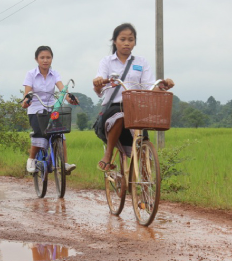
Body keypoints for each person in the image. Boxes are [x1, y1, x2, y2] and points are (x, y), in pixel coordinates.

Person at [92, 23, 174, 171]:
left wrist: (162, 86)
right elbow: (99, 87)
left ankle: (145, 180)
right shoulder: (107, 62)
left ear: (135, 42)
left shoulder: (141, 62)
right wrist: (98, 83)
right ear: (115, 41)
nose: (126, 43)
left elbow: (149, 86)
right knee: (119, 115)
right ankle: (108, 154)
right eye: (122, 39)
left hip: (137, 108)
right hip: (114, 106)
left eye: (130, 39)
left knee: (143, 144)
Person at [21, 46, 77, 173]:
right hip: (35, 109)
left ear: (52, 59)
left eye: (48, 57)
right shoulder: (30, 74)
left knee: (60, 132)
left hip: (51, 108)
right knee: (40, 132)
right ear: (37, 59)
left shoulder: (55, 74)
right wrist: (26, 101)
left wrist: (69, 97)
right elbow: (27, 93)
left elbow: (62, 88)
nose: (45, 60)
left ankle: (65, 164)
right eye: (42, 58)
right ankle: (31, 159)